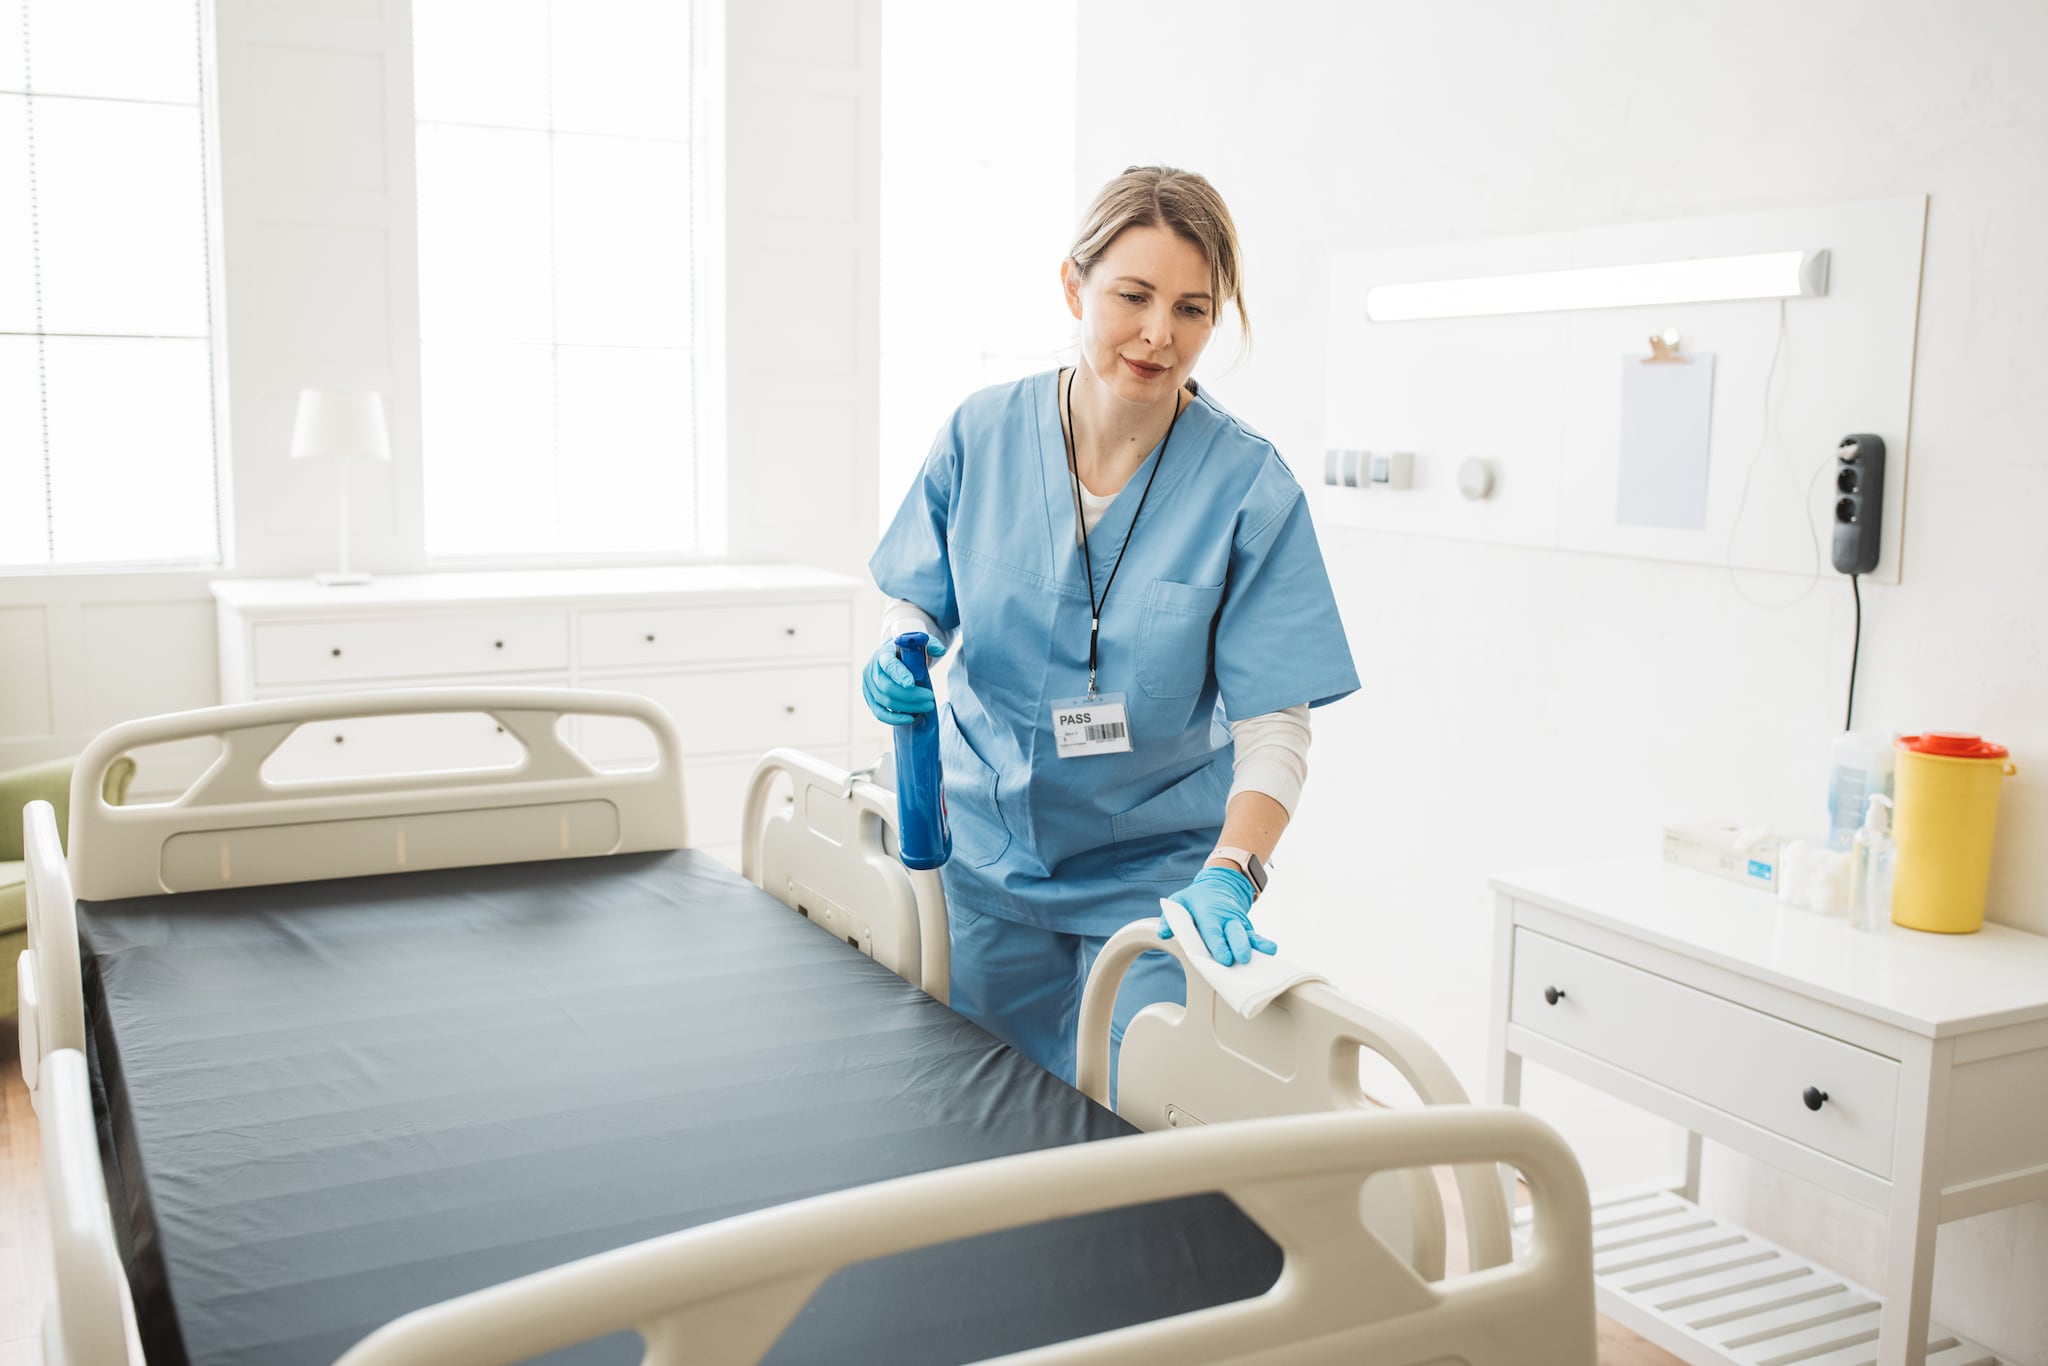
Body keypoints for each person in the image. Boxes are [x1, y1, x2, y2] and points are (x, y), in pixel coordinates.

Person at [866, 165, 1358, 1086]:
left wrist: (1234, 872)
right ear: (1073, 286)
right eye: (1132, 295)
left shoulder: (1248, 488)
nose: (1158, 335)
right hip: (985, 859)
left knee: (1138, 1119)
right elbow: (917, 597)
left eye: (1194, 310)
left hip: (1154, 882)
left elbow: (1275, 727)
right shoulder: (982, 434)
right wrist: (902, 645)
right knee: (974, 1124)